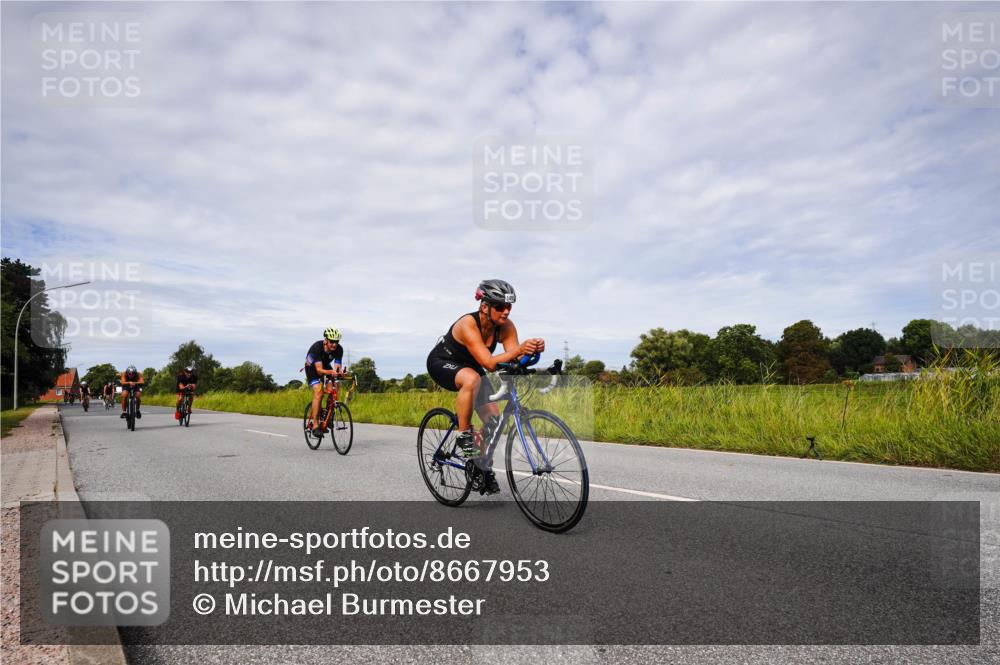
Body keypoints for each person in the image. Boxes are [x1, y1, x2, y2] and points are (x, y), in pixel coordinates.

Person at [426, 279, 544, 494]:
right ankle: (464, 435)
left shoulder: (506, 327)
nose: (506, 312)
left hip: (472, 367)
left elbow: (512, 359)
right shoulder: (468, 324)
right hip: (442, 362)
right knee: (472, 379)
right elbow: (489, 363)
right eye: (500, 307)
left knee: (493, 422)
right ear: (484, 307)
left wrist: (531, 352)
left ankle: (480, 466)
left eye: (509, 307)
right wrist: (520, 350)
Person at [305, 328, 346, 437]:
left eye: (336, 342)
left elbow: (337, 368)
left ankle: (328, 416)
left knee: (334, 387)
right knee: (319, 391)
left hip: (325, 367)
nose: (334, 344)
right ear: (325, 340)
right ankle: (315, 425)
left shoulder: (339, 349)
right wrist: (332, 372)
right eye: (331, 341)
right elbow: (319, 370)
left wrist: (340, 373)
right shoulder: (317, 348)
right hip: (312, 368)